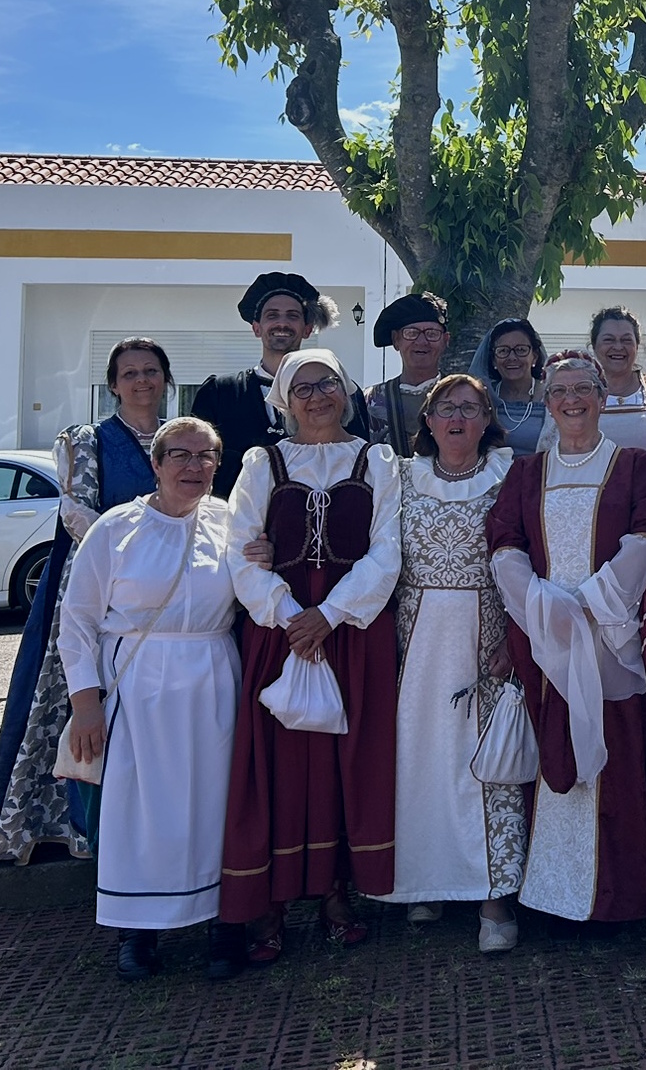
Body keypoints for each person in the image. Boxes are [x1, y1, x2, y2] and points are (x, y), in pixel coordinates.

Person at [219, 350, 401, 963]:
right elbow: (239, 549)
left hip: (351, 626)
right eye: (303, 388)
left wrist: (329, 615)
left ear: (346, 390)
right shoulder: (261, 464)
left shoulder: (376, 460)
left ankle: (334, 892)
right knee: (278, 762)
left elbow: (387, 551)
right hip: (281, 630)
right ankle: (268, 899)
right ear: (284, 400)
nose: (317, 396)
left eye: (327, 384)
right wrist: (287, 612)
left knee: (345, 759)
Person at [0, 339, 171, 867]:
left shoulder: (178, 439)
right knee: (83, 694)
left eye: (151, 371)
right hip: (100, 580)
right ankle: (78, 823)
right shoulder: (89, 439)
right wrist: (141, 551)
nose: (141, 381)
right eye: (130, 373)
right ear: (113, 383)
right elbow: (77, 513)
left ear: (166, 379)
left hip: (171, 585)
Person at [57, 417, 243, 981]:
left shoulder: (232, 524)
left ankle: (223, 925)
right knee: (139, 808)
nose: (194, 467)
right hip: (139, 685)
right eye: (180, 456)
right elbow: (78, 621)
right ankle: (137, 932)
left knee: (216, 803)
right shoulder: (117, 528)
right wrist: (85, 703)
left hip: (213, 677)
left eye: (206, 456)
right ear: (157, 464)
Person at [486, 352, 646, 929]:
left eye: (583, 388)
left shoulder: (635, 466)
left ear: (602, 397)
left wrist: (588, 603)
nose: (572, 400)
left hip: (610, 633)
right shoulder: (525, 474)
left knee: (619, 758)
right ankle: (553, 894)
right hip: (545, 639)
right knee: (553, 752)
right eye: (559, 390)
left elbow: (643, 537)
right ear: (546, 401)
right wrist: (546, 608)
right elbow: (505, 545)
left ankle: (617, 900)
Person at [376, 373, 524, 953]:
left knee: (487, 761)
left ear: (487, 420)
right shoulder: (399, 478)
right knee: (419, 757)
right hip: (415, 633)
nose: (457, 418)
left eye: (470, 407)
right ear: (428, 421)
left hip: (486, 628)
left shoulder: (509, 473)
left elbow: (526, 553)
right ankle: (424, 880)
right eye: (446, 408)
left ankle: (494, 895)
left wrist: (515, 635)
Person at [194, 272, 355, 496]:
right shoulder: (220, 393)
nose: (282, 323)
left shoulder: (335, 392)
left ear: (307, 329)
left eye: (292, 316)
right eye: (272, 315)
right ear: (256, 328)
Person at [588, 306, 646, 461]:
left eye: (626, 340)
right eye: (608, 340)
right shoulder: (576, 394)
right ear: (594, 346)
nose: (618, 347)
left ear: (637, 346)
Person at [364, 291, 449, 452]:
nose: (422, 341)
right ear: (396, 340)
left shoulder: (464, 396)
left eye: (432, 334)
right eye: (412, 333)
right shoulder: (368, 400)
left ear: (445, 340)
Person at [469, 317, 552, 456]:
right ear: (494, 360)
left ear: (535, 357)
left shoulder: (552, 395)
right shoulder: (482, 397)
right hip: (491, 477)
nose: (512, 357)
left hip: (541, 474)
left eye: (520, 349)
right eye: (503, 351)